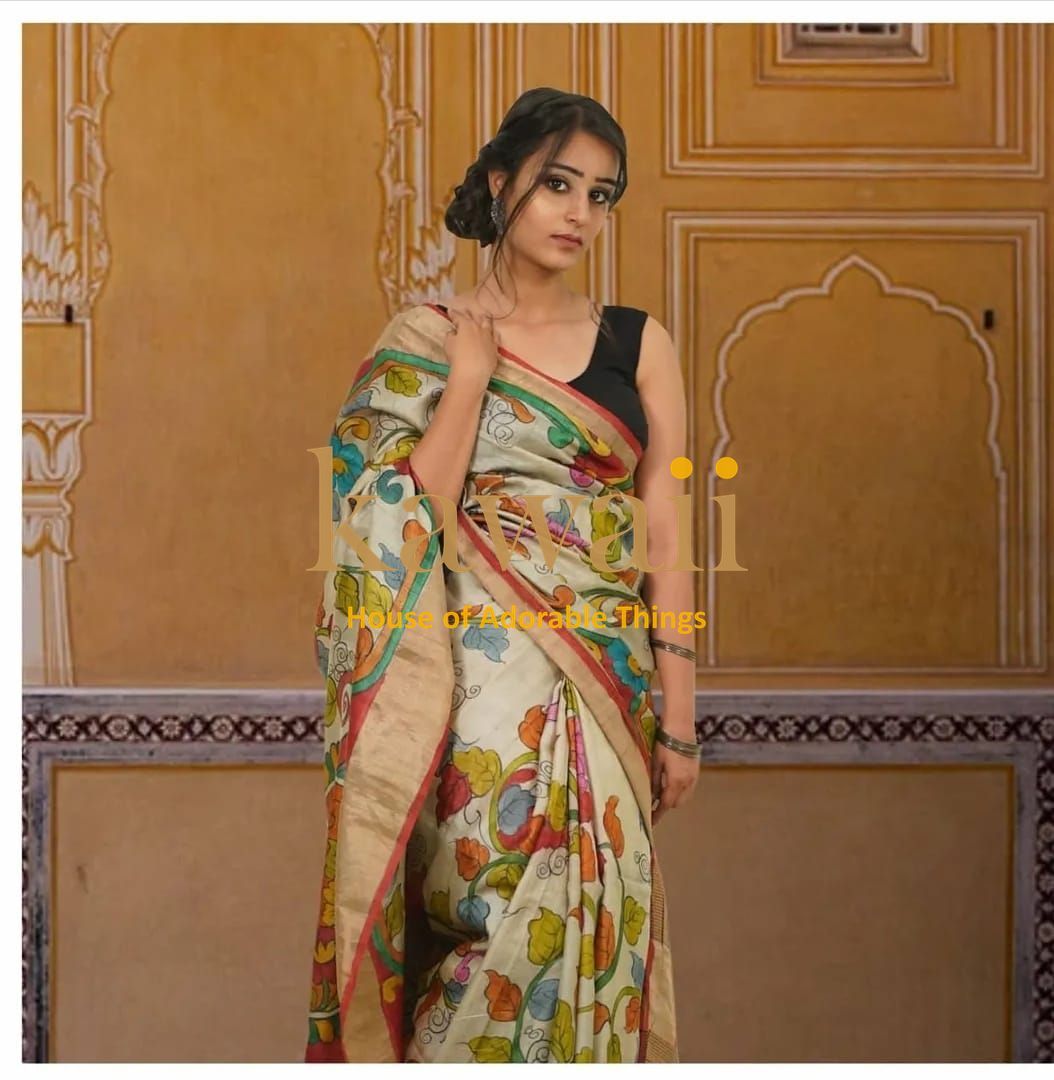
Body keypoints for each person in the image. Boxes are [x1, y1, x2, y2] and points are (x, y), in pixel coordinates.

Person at [305, 86, 700, 1065]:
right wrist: (471, 378)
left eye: (600, 194)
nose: (579, 212)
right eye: (557, 184)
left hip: (608, 689)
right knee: (486, 916)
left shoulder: (638, 343)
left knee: (602, 926)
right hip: (477, 693)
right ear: (498, 183)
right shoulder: (427, 339)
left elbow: (666, 528)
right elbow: (404, 511)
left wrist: (682, 717)